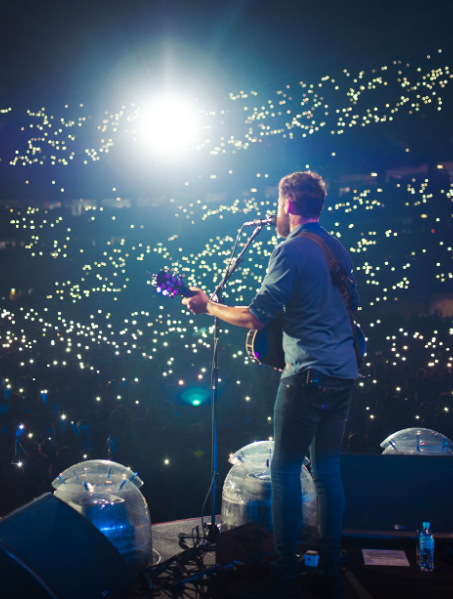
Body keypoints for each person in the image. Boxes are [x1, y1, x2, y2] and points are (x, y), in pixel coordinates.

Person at [182, 170, 359, 599]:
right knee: (328, 470)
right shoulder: (336, 248)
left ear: (290, 205)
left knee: (283, 470)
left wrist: (209, 307)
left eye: (279, 204)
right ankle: (330, 570)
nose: (276, 213)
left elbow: (255, 316)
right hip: (343, 373)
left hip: (308, 376)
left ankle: (284, 576)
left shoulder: (291, 249)